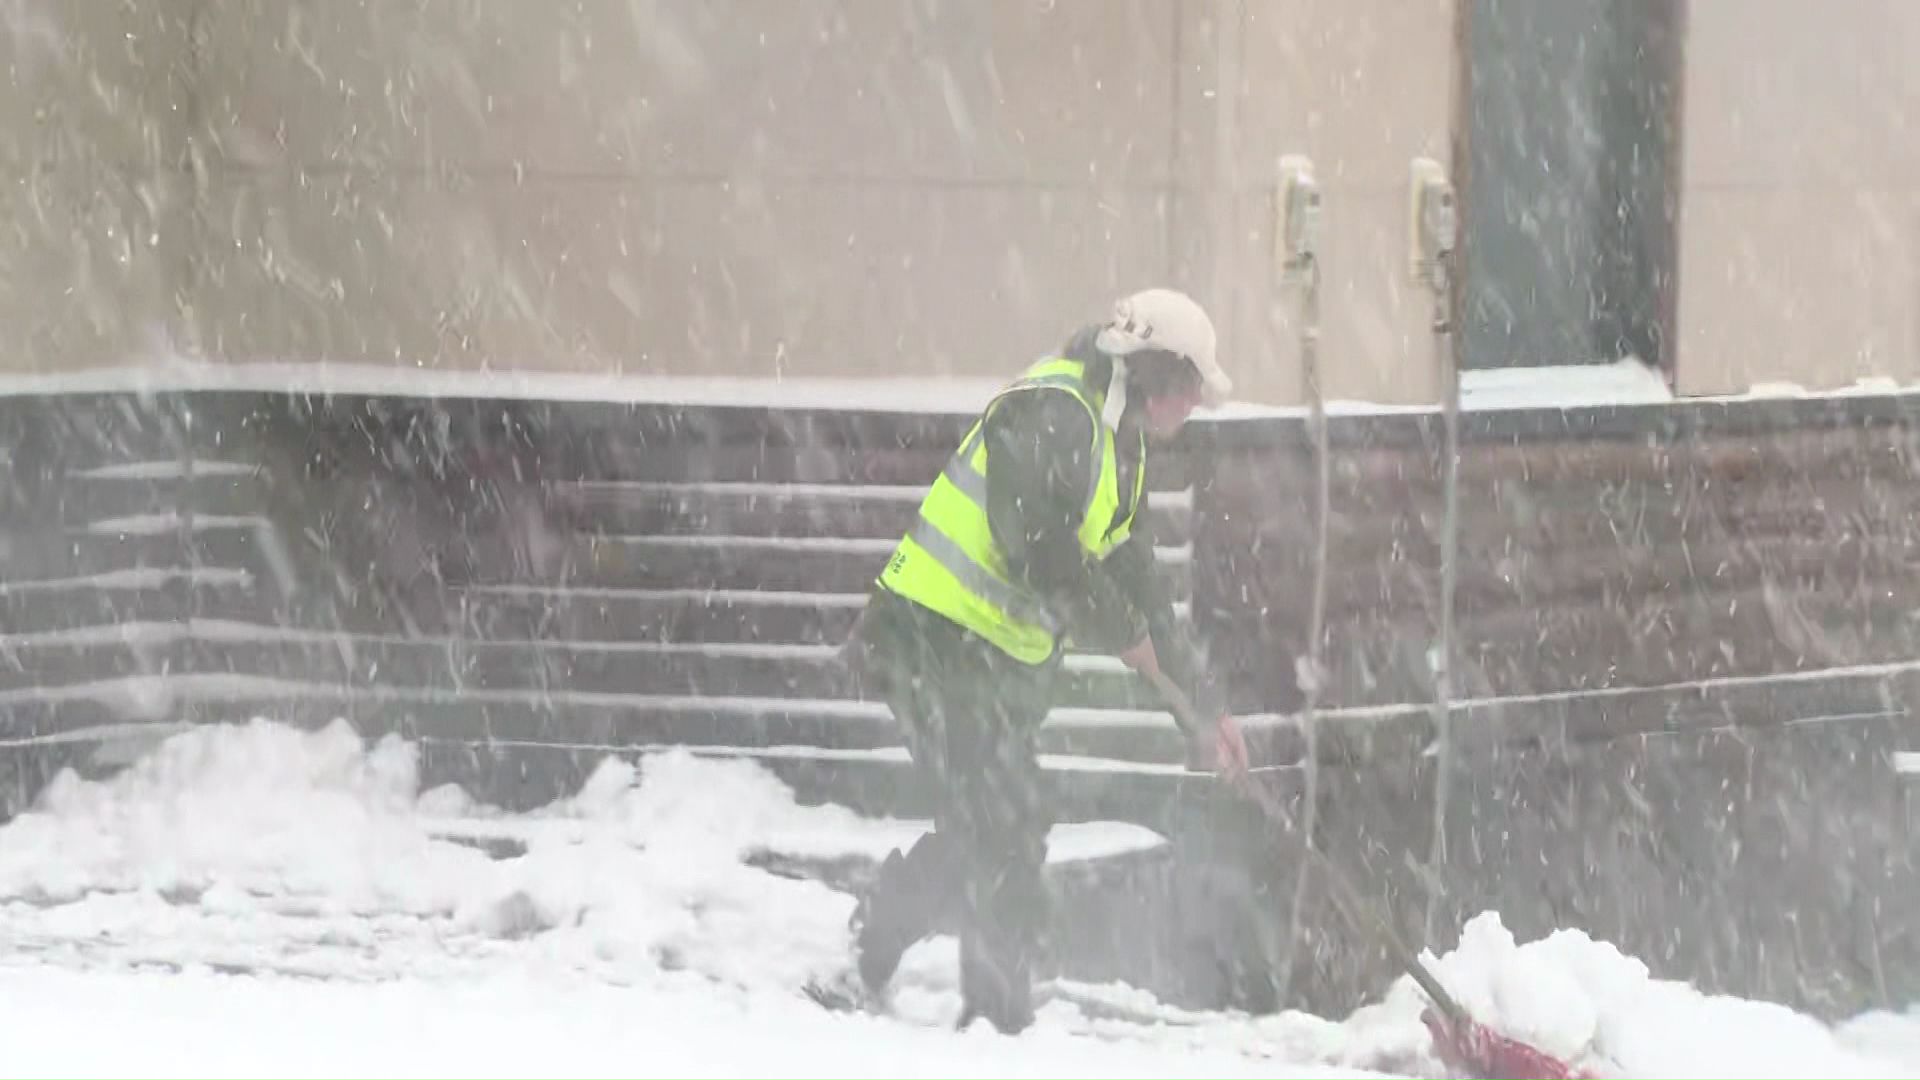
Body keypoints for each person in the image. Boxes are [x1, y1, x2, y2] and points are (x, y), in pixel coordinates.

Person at [837, 287, 1250, 1033]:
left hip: (987, 665)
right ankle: (997, 1018)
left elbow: (1144, 589)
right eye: (1188, 391)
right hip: (927, 640)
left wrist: (1206, 709)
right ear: (1154, 375)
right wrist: (1118, 626)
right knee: (1001, 829)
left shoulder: (1122, 453)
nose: (1191, 410)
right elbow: (1038, 546)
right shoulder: (1056, 412)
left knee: (997, 827)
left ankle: (892, 939)